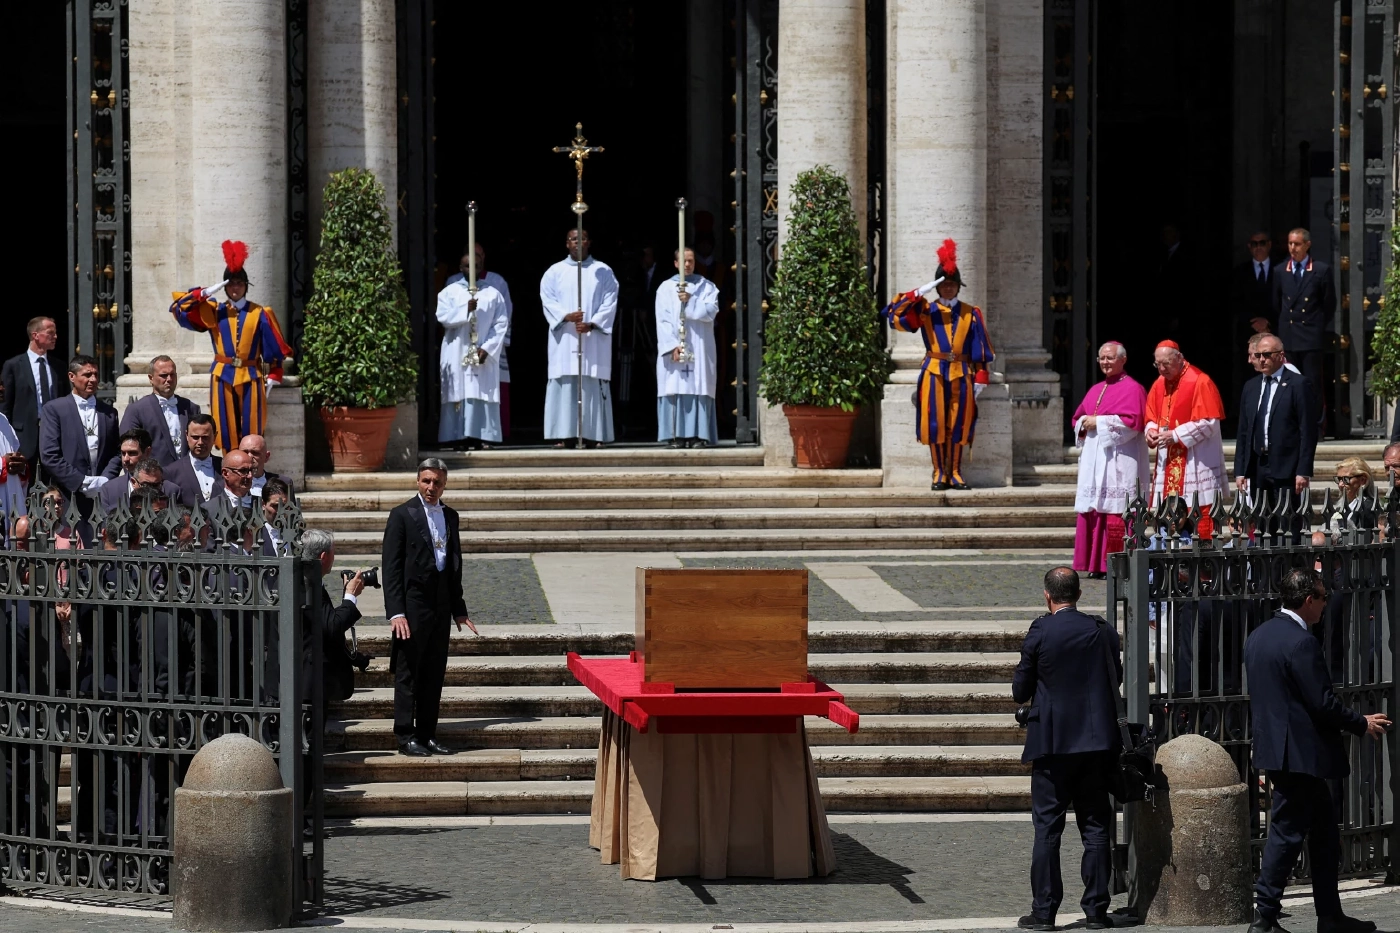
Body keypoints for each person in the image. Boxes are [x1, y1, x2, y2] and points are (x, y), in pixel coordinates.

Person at [1244, 567, 1389, 933]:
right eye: (1323, 598)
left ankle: (1330, 915)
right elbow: (1322, 703)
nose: (1325, 605)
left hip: (1279, 749)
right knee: (1286, 834)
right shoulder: (1302, 642)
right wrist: (1360, 722)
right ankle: (1264, 917)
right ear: (1309, 600)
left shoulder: (1260, 635)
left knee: (1324, 834)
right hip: (1300, 755)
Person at [1012, 567, 1120, 931]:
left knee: (1047, 830)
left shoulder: (1041, 630)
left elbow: (1020, 689)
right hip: (1095, 744)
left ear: (1047, 595)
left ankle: (1044, 913)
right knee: (1095, 827)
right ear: (1078, 594)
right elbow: (1116, 678)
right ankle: (1096, 911)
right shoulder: (1101, 630)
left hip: (1052, 744)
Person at [881, 238, 994, 490]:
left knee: (959, 423)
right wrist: (917, 293)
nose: (948, 289)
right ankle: (939, 472)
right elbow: (894, 315)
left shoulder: (971, 312)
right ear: (937, 287)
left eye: (952, 285)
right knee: (935, 423)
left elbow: (980, 348)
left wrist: (981, 377)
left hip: (962, 373)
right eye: (944, 285)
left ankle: (955, 472)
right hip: (934, 372)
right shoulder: (926, 310)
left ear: (958, 287)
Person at [382, 459, 476, 757]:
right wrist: (396, 612)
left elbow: (454, 564)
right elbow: (391, 568)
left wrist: (458, 608)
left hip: (440, 605)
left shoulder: (451, 516)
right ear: (417, 481)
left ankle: (427, 733)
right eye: (426, 481)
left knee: (434, 672)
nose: (431, 487)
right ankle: (405, 735)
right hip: (412, 606)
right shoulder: (401, 515)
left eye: (437, 482)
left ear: (444, 485)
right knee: (408, 672)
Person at [168, 240, 292, 454]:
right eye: (231, 283)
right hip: (222, 374)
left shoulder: (260, 313)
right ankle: (230, 465)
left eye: (239, 283)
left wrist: (274, 374)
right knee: (224, 428)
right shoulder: (214, 310)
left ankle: (251, 467)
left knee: (253, 427)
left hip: (251, 374)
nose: (235, 288)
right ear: (225, 286)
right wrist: (205, 292)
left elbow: (273, 347)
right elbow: (180, 308)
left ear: (246, 286)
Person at [1071, 342, 1149, 579]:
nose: (1105, 362)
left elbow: (1134, 422)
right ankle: (1094, 564)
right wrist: (1084, 422)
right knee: (1094, 509)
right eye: (1101, 358)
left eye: (1110, 358)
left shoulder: (1133, 388)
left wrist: (1099, 422)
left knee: (1117, 510)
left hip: (1119, 461)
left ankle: (1114, 564)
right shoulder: (1096, 389)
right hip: (1095, 460)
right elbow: (1077, 418)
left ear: (1123, 360)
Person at [539, 228, 619, 448]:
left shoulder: (603, 271)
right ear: (567, 243)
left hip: (592, 339)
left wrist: (592, 323)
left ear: (589, 242)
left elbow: (610, 301)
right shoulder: (554, 272)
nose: (578, 242)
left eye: (582, 239)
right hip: (565, 339)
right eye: (574, 239)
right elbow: (547, 299)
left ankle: (594, 434)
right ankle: (565, 434)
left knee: (591, 382)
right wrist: (566, 316)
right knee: (566, 384)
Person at [1144, 341, 1226, 538]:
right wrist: (1151, 430)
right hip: (1168, 459)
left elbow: (1209, 422)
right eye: (1157, 364)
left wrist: (1175, 435)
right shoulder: (1159, 383)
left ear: (1180, 358)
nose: (1162, 369)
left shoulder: (1200, 381)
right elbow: (1151, 416)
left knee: (1199, 513)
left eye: (1166, 363)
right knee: (1169, 515)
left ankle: (1203, 556)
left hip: (1195, 461)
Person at [437, 260, 510, 449]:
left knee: (480, 390)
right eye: (467, 266)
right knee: (459, 391)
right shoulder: (449, 292)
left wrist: (488, 348)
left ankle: (480, 436)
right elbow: (443, 317)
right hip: (457, 350)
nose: (472, 269)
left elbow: (501, 323)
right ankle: (458, 436)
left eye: (476, 265)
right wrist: (465, 309)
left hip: (482, 352)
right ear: (461, 268)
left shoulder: (493, 294)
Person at [1235, 333, 1315, 503]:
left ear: (1280, 355)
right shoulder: (1251, 386)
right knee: (1261, 516)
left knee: (1286, 516)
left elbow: (1307, 431)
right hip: (1258, 465)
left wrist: (1303, 471)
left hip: (1287, 466)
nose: (1262, 360)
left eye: (1267, 355)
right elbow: (1244, 431)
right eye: (1258, 355)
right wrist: (1240, 470)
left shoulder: (1298, 384)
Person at [38, 356, 121, 519]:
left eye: (96, 374)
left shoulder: (109, 412)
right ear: (72, 376)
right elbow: (49, 455)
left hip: (103, 495)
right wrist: (80, 481)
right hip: (68, 494)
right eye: (87, 375)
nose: (93, 379)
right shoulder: (55, 409)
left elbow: (117, 452)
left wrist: (105, 479)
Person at [655, 248, 721, 449]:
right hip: (676, 349)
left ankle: (698, 435)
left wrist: (691, 301)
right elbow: (662, 320)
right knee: (674, 386)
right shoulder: (665, 288)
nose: (687, 265)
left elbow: (711, 311)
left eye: (690, 261)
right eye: (683, 261)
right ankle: (675, 436)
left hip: (700, 347)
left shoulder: (707, 286)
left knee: (699, 386)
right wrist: (671, 346)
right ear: (676, 263)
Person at [1272, 228, 1335, 428]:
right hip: (1289, 335)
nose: (1293, 248)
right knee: (1289, 381)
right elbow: (1276, 302)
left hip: (1310, 336)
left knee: (1312, 382)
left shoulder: (1320, 270)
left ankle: (1315, 425)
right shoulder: (1280, 271)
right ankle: (1293, 424)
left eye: (1297, 244)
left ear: (1307, 245)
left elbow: (1328, 304)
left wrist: (1316, 325)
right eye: (1290, 243)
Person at [299, 529, 365, 711]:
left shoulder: (305, 578)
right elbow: (332, 626)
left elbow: (324, 619)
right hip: (306, 682)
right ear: (323, 557)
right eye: (333, 552)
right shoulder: (308, 585)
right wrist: (350, 597)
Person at [1, 316, 68, 470]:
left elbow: (65, 399)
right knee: (24, 479)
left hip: (53, 434)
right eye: (50, 333)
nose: (55, 337)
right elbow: (5, 404)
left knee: (53, 479)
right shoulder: (13, 365)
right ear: (35, 335)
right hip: (23, 436)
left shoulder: (59, 366)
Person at [119, 355, 202, 467]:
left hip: (186, 473)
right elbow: (128, 450)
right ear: (151, 378)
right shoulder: (137, 410)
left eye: (172, 375)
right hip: (153, 474)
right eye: (164, 375)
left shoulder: (190, 407)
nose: (169, 379)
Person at [98, 432, 184, 513]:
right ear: (133, 482)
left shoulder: (172, 491)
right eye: (123, 453)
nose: (126, 459)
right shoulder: (109, 490)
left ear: (147, 452)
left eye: (132, 453)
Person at [165, 415, 224, 508]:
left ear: (215, 436)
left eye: (205, 437)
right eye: (195, 437)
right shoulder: (172, 472)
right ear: (186, 436)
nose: (200, 442)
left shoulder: (225, 467)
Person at [1231, 230, 1276, 336]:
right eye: (1254, 244)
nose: (1258, 247)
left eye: (1262, 243)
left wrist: (1267, 321)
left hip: (1275, 329)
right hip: (1248, 331)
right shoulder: (1240, 271)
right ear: (1249, 246)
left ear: (1269, 245)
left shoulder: (1280, 269)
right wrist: (1254, 321)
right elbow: (1235, 301)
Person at [237, 434, 296, 500]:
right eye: (244, 452)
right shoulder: (229, 483)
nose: (249, 456)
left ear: (266, 456)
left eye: (255, 452)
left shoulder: (284, 482)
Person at [0, 411, 29, 527]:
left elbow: (14, 452)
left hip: (11, 494)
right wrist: (3, 463)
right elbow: (4, 462)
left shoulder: (3, 419)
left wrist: (20, 466)